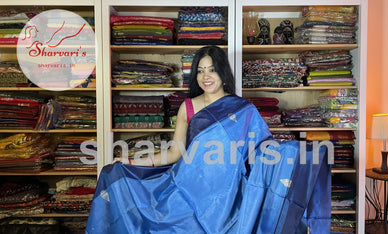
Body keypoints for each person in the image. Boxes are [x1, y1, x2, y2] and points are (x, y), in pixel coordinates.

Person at [86, 45, 331, 234]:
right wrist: (130, 160)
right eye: (200, 70)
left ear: (223, 72)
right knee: (118, 179)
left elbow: (262, 150)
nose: (206, 76)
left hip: (229, 198)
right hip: (187, 192)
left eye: (212, 69)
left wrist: (300, 153)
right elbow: (174, 154)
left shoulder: (243, 109)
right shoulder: (188, 107)